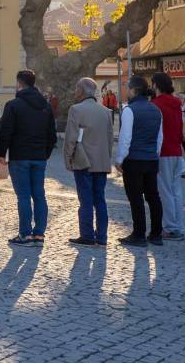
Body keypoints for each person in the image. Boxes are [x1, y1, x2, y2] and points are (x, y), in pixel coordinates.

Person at [0, 70, 57, 247]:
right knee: (39, 195)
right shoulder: (46, 106)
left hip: (19, 157)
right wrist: (44, 154)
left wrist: (1, 154)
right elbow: (51, 135)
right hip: (39, 157)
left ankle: (25, 234)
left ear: (19, 83)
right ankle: (39, 234)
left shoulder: (13, 105)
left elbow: (5, 132)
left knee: (23, 196)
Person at [64, 78, 114, 246]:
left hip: (83, 161)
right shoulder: (106, 111)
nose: (75, 91)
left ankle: (86, 235)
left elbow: (71, 138)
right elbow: (109, 139)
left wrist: (68, 159)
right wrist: (106, 158)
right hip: (101, 162)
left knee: (85, 200)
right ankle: (102, 236)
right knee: (100, 199)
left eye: (76, 88)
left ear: (82, 90)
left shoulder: (76, 110)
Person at [116, 75, 164, 248]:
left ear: (134, 90)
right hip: (151, 159)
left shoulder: (130, 110)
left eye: (128, 88)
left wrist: (120, 159)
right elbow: (160, 138)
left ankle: (139, 234)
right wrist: (155, 155)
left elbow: (125, 138)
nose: (126, 91)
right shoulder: (156, 110)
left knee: (136, 198)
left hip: (134, 160)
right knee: (153, 196)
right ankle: (156, 233)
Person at [149, 72, 185, 240]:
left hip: (163, 151)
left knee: (164, 191)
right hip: (175, 150)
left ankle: (171, 228)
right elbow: (180, 127)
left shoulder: (156, 104)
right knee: (176, 191)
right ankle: (178, 225)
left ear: (156, 85)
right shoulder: (176, 103)